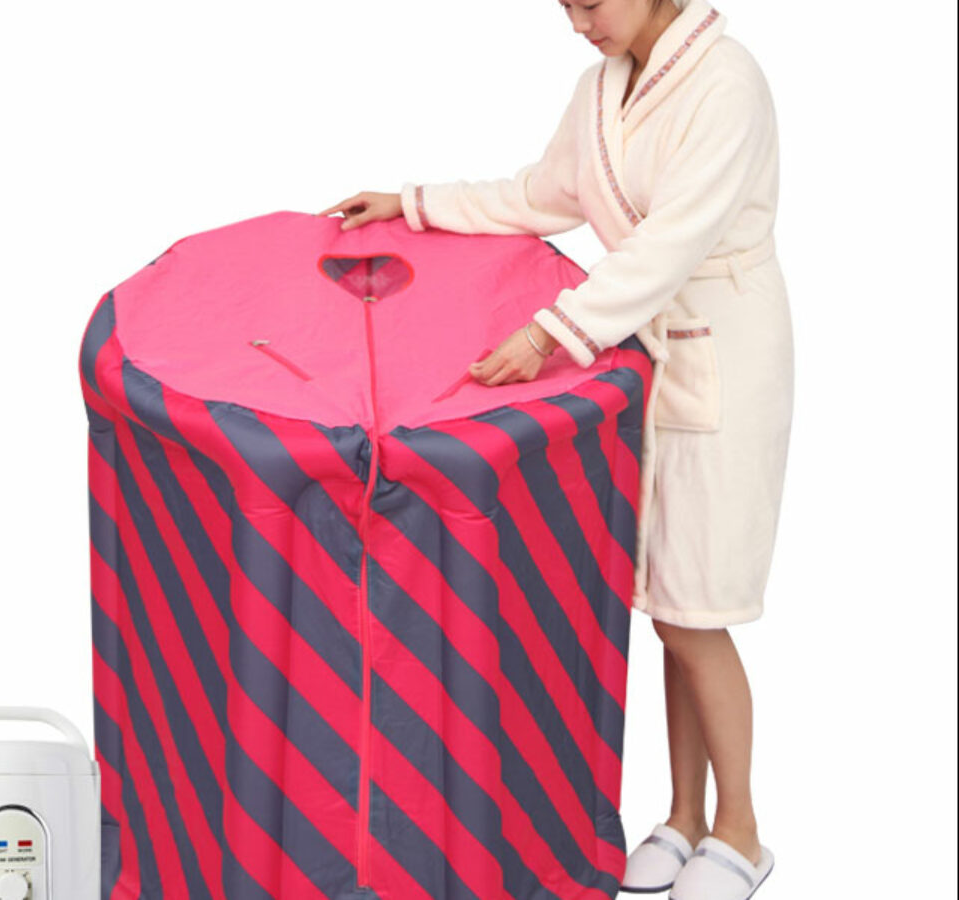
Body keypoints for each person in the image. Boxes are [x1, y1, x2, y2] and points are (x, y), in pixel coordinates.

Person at [317, 0, 793, 898]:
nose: (578, 23)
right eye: (565, 5)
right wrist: (411, 204)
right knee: (669, 607)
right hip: (646, 353)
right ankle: (683, 818)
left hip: (724, 352)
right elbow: (536, 196)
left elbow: (670, 242)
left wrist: (549, 333)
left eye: (590, 2)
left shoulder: (726, 84)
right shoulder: (600, 90)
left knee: (700, 612)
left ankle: (742, 830)